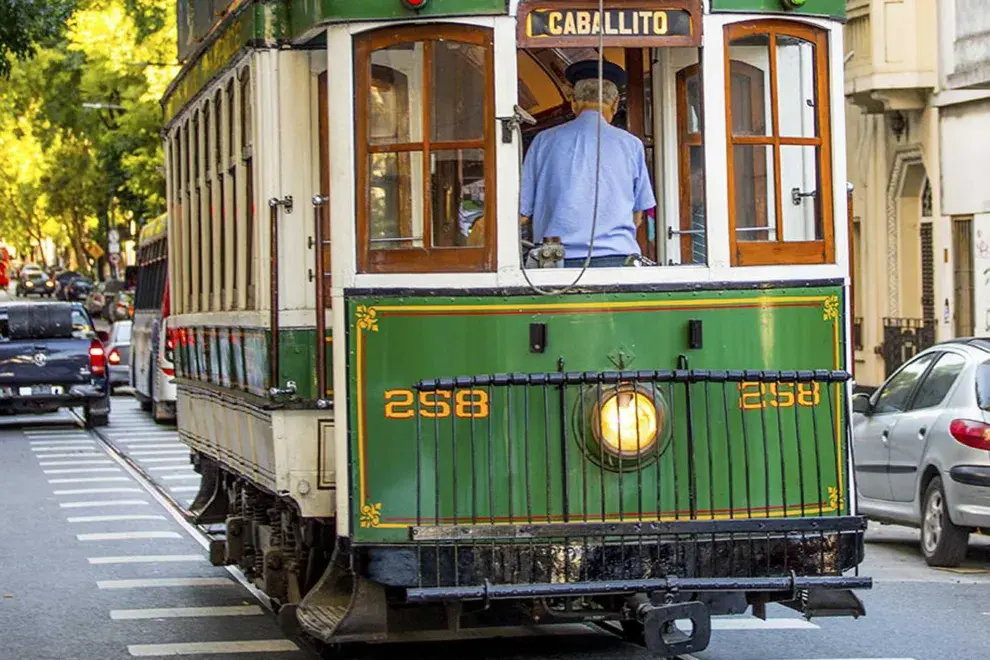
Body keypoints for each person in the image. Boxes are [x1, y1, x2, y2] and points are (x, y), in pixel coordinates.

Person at [519, 59, 656, 268]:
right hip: (618, 259)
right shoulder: (631, 145)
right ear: (615, 102)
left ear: (573, 101)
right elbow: (639, 213)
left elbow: (523, 212)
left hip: (555, 261)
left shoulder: (543, 142)